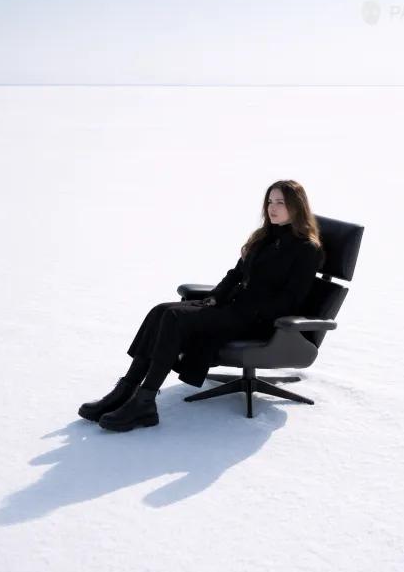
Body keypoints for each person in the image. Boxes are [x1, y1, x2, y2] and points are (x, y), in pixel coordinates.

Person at [78, 180, 325, 432]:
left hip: (258, 321)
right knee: (160, 310)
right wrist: (216, 296)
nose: (272, 208)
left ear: (296, 206)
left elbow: (291, 299)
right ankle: (125, 390)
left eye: (280, 202)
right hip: (233, 308)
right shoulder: (264, 237)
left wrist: (249, 310)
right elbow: (235, 274)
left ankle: (145, 401)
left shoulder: (306, 249)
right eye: (270, 202)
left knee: (175, 317)